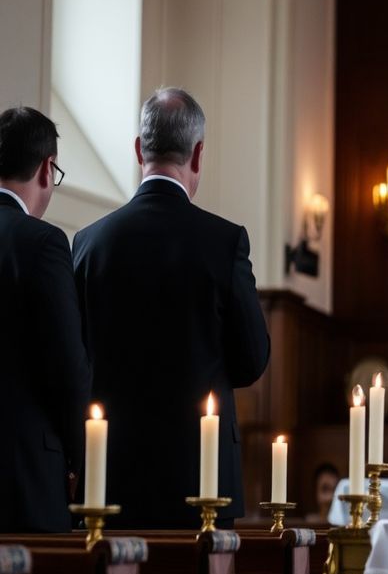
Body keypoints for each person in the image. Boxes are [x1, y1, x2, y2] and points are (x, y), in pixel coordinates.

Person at [73, 88, 270, 528]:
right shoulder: (224, 242)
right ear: (197, 154)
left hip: (110, 478)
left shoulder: (88, 244)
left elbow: (75, 359)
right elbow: (252, 359)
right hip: (201, 480)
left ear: (138, 150)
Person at [0, 107, 90, 532]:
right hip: (24, 476)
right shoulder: (43, 243)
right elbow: (69, 369)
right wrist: (78, 459)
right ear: (46, 168)